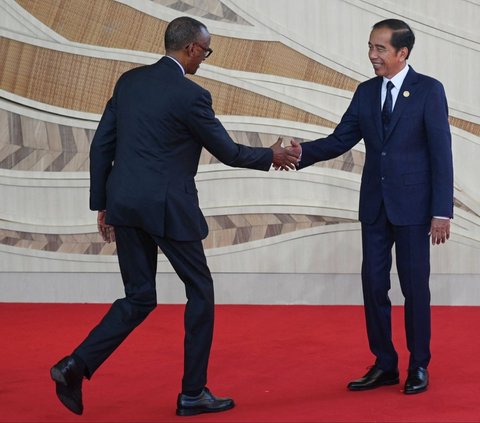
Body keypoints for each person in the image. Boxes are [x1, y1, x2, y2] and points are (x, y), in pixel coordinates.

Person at [50, 16, 299, 417]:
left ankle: (75, 364)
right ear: (191, 50)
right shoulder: (192, 96)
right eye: (206, 51)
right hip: (168, 208)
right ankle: (193, 393)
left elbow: (101, 148)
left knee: (138, 297)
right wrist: (272, 155)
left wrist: (103, 205)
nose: (205, 58)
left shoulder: (128, 83)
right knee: (200, 290)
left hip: (126, 205)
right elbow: (229, 152)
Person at [290, 19, 453, 395]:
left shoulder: (428, 90)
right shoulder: (365, 92)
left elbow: (441, 154)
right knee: (373, 285)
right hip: (375, 208)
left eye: (380, 49)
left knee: (415, 288)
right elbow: (341, 139)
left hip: (414, 209)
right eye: (370, 47)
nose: (372, 55)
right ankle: (384, 363)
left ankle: (418, 365)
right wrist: (302, 154)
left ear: (402, 53)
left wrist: (441, 211)